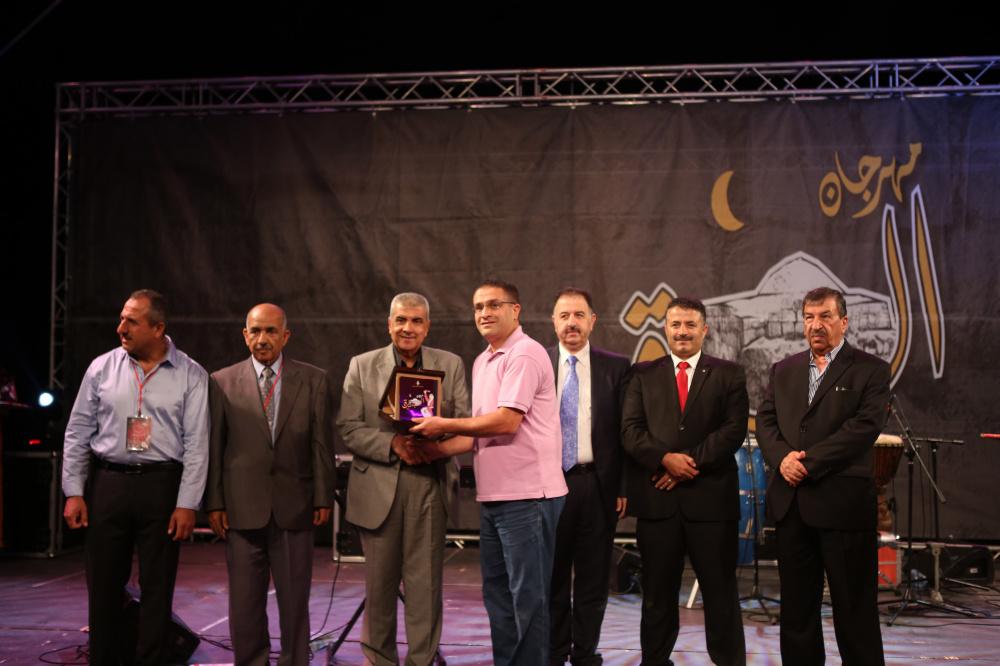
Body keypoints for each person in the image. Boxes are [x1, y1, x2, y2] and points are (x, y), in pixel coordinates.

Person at [411, 279, 568, 666]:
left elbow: (505, 422)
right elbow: (475, 434)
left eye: (494, 305)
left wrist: (442, 423)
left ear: (515, 310)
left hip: (528, 497)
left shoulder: (525, 353)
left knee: (527, 599)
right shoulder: (484, 360)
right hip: (495, 497)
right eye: (478, 307)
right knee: (498, 597)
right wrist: (430, 450)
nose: (484, 313)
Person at [62, 289, 209, 665]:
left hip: (161, 486)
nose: (121, 328)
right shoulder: (101, 368)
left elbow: (197, 445)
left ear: (158, 328)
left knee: (157, 584)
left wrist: (187, 503)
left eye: (132, 321)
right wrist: (74, 491)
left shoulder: (191, 374)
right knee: (104, 583)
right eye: (121, 318)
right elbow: (77, 431)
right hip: (109, 483)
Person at [756, 287, 889, 666]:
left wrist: (807, 463)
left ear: (843, 322)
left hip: (843, 506)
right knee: (797, 611)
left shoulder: (870, 369)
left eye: (825, 316)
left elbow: (863, 428)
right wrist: (782, 459)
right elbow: (766, 421)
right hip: (792, 505)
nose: (816, 325)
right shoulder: (783, 370)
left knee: (854, 609)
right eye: (809, 317)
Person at [337, 292, 470, 666]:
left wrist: (435, 439)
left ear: (427, 326)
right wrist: (393, 443)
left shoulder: (450, 364)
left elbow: (465, 421)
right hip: (378, 485)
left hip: (428, 483)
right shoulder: (362, 365)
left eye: (416, 321)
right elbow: (348, 427)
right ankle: (379, 660)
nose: (407, 328)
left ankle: (421, 661)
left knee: (425, 586)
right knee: (379, 588)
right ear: (389, 324)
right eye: (400, 320)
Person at [205, 303, 334, 666]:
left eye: (271, 331)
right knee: (244, 603)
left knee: (295, 602)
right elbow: (214, 446)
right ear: (245, 335)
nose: (262, 339)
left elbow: (321, 445)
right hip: (241, 508)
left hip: (295, 506)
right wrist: (215, 502)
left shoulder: (314, 379)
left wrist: (323, 496)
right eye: (256, 331)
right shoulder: (221, 381)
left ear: (285, 336)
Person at [621, 296, 748, 666]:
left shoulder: (729, 374)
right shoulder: (642, 374)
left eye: (690, 324)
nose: (682, 331)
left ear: (704, 330)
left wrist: (686, 464)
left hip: (712, 505)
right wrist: (665, 459)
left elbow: (733, 430)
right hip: (658, 506)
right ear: (665, 328)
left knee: (720, 595)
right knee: (656, 596)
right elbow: (630, 431)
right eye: (675, 324)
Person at [547, 288, 630, 666]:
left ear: (592, 321)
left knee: (594, 579)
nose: (571, 323)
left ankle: (584, 654)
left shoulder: (617, 367)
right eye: (564, 315)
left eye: (579, 315)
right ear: (553, 321)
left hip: (597, 485)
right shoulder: (537, 364)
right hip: (548, 486)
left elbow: (626, 432)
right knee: (552, 576)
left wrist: (622, 486)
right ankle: (554, 651)